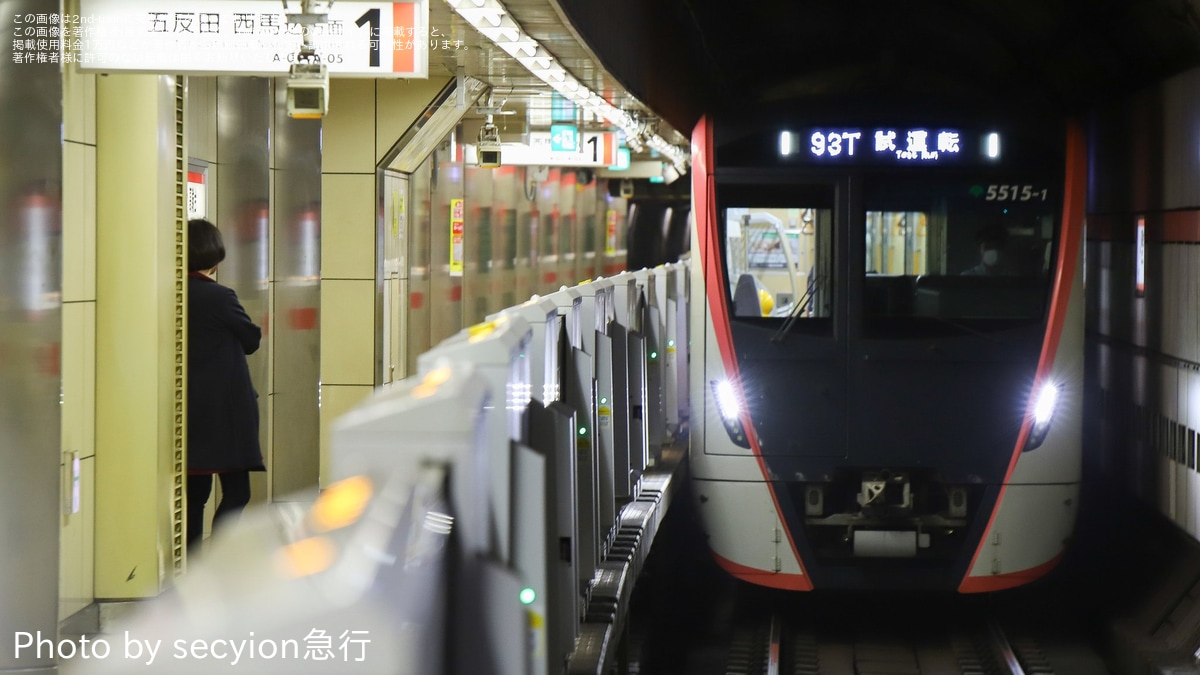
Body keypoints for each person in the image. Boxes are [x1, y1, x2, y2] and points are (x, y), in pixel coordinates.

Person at [186, 218, 263, 555]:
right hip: (225, 411)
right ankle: (217, 561)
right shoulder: (219, 296)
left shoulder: (171, 294)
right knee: (237, 491)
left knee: (194, 495)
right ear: (214, 258)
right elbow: (250, 339)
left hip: (186, 410)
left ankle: (186, 563)